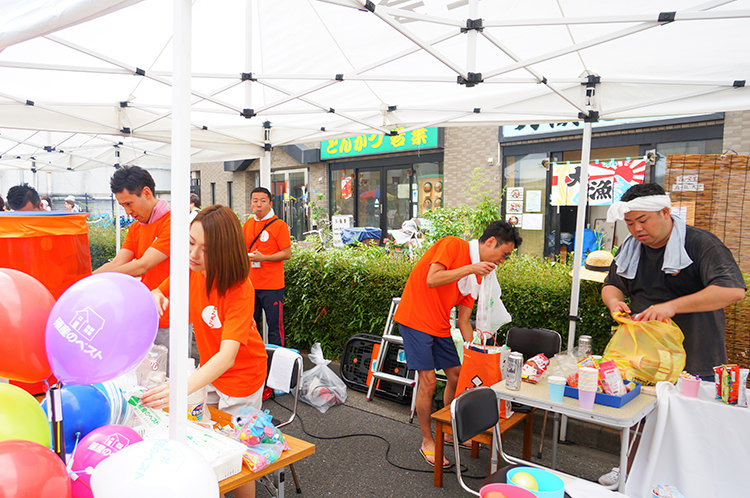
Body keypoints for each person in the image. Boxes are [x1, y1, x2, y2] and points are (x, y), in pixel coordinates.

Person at [598, 182, 746, 486]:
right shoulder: (630, 247)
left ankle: (690, 483)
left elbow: (732, 291)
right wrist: (615, 302)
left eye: (643, 220)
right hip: (643, 356)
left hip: (697, 354)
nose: (636, 229)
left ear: (666, 212)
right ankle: (631, 469)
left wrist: (672, 307)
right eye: (629, 223)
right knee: (638, 417)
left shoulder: (701, 244)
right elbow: (611, 284)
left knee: (690, 425)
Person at [141, 204, 267, 498]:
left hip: (242, 377)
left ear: (225, 251)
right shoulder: (191, 270)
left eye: (206, 249)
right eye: (190, 242)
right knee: (204, 438)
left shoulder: (239, 287)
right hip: (210, 371)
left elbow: (228, 355)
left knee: (237, 451)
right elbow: (160, 290)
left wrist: (179, 388)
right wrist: (157, 294)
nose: (194, 254)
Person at [393, 220, 521, 468]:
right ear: (491, 242)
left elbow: (464, 320)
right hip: (415, 319)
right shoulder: (452, 245)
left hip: (440, 325)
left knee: (457, 375)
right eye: (503, 255)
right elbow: (433, 278)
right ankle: (427, 441)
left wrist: (476, 350)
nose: (502, 261)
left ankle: (449, 431)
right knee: (428, 382)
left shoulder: (478, 277)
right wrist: (471, 268)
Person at [94, 165, 171, 350]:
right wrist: (85, 279)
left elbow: (142, 266)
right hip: (145, 312)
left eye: (129, 204)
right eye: (123, 206)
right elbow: (119, 262)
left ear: (146, 193)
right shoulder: (136, 227)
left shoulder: (172, 223)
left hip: (171, 315)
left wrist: (96, 278)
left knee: (169, 374)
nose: (127, 212)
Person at [242, 187, 292, 346]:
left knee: (275, 328)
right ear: (250, 204)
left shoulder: (279, 225)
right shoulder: (248, 224)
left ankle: (278, 363)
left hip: (272, 286)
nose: (258, 205)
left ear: (270, 204)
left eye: (263, 201)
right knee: (251, 326)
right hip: (251, 284)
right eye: (255, 201)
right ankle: (255, 362)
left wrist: (264, 258)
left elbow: (287, 253)